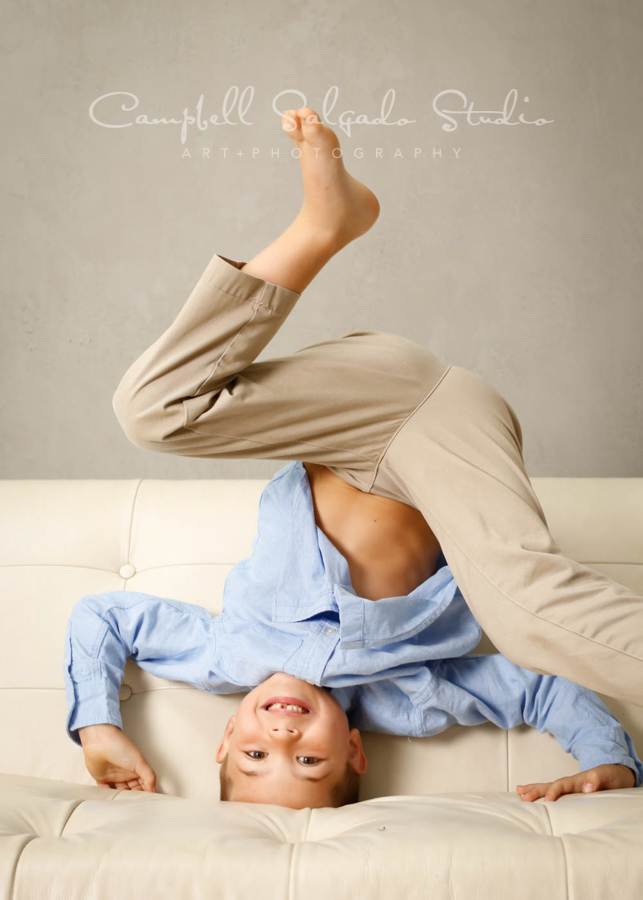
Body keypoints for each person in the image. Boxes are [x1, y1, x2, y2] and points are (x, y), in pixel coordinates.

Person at [64, 107, 643, 808]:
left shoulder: (218, 656)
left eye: (253, 754)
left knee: (151, 410)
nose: (281, 736)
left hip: (353, 410)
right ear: (355, 749)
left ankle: (321, 226)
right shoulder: (410, 698)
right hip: (445, 445)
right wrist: (610, 759)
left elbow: (102, 615)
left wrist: (98, 724)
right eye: (308, 762)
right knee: (528, 620)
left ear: (223, 738)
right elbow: (547, 689)